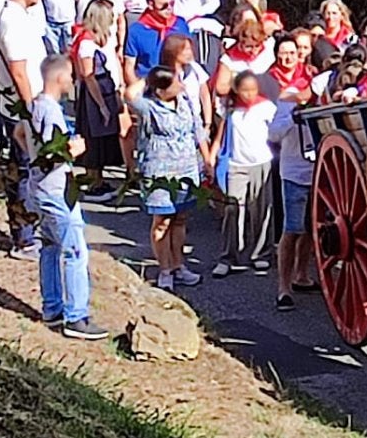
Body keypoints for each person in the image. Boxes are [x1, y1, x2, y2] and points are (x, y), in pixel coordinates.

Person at [25, 53, 108, 341]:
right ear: (60, 78)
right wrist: (73, 151)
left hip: (39, 188)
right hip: (57, 190)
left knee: (49, 247)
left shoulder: (33, 106)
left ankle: (52, 308)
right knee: (75, 251)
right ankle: (76, 316)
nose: (72, 81)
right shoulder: (51, 112)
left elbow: (21, 135)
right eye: (70, 76)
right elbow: (52, 154)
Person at [127, 64, 208, 293]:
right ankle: (165, 269)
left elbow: (197, 130)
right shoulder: (149, 107)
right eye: (175, 82)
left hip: (186, 169)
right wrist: (149, 78)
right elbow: (129, 94)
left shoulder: (185, 102)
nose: (181, 85)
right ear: (161, 90)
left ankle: (178, 265)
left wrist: (206, 160)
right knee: (162, 221)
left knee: (180, 219)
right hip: (159, 172)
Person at [0, 0, 51, 252]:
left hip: (32, 103)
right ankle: (24, 238)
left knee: (31, 169)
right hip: (21, 109)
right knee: (24, 172)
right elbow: (18, 71)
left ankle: (32, 229)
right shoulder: (12, 20)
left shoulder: (23, 15)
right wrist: (30, 111)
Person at [209, 70, 276, 276]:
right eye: (245, 90)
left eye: (253, 90)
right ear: (237, 90)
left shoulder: (266, 107)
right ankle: (229, 256)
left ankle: (261, 254)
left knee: (261, 210)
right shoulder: (231, 110)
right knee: (232, 209)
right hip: (236, 164)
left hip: (261, 163)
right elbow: (220, 137)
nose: (249, 94)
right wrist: (211, 158)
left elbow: (277, 131)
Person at [267, 83, 317, 310]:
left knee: (310, 229)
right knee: (292, 230)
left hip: (319, 173)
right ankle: (283, 288)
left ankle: (302, 276)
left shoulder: (323, 102)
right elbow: (273, 134)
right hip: (294, 174)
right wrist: (293, 119)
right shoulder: (285, 103)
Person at [71, 0, 124, 192]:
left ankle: (99, 179)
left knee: (104, 137)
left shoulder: (104, 37)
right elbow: (88, 76)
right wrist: (101, 105)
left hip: (107, 87)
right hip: (94, 93)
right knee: (93, 136)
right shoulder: (86, 42)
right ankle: (94, 181)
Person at [123, 0, 190, 85]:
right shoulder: (136, 30)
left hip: (178, 81)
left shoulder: (180, 24)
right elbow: (129, 67)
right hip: (149, 83)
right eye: (164, 5)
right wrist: (138, 90)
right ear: (151, 5)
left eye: (171, 4)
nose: (169, 8)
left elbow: (189, 58)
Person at [211, 5, 273, 98]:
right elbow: (221, 88)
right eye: (248, 47)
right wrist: (241, 82)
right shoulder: (228, 59)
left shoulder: (270, 48)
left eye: (257, 46)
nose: (254, 51)